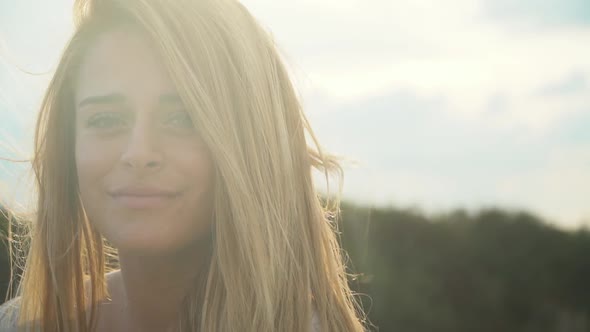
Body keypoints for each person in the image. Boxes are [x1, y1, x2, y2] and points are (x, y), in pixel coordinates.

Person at [0, 0, 367, 331]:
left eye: (184, 119)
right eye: (105, 120)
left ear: (252, 144)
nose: (139, 152)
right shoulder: (23, 324)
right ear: (69, 145)